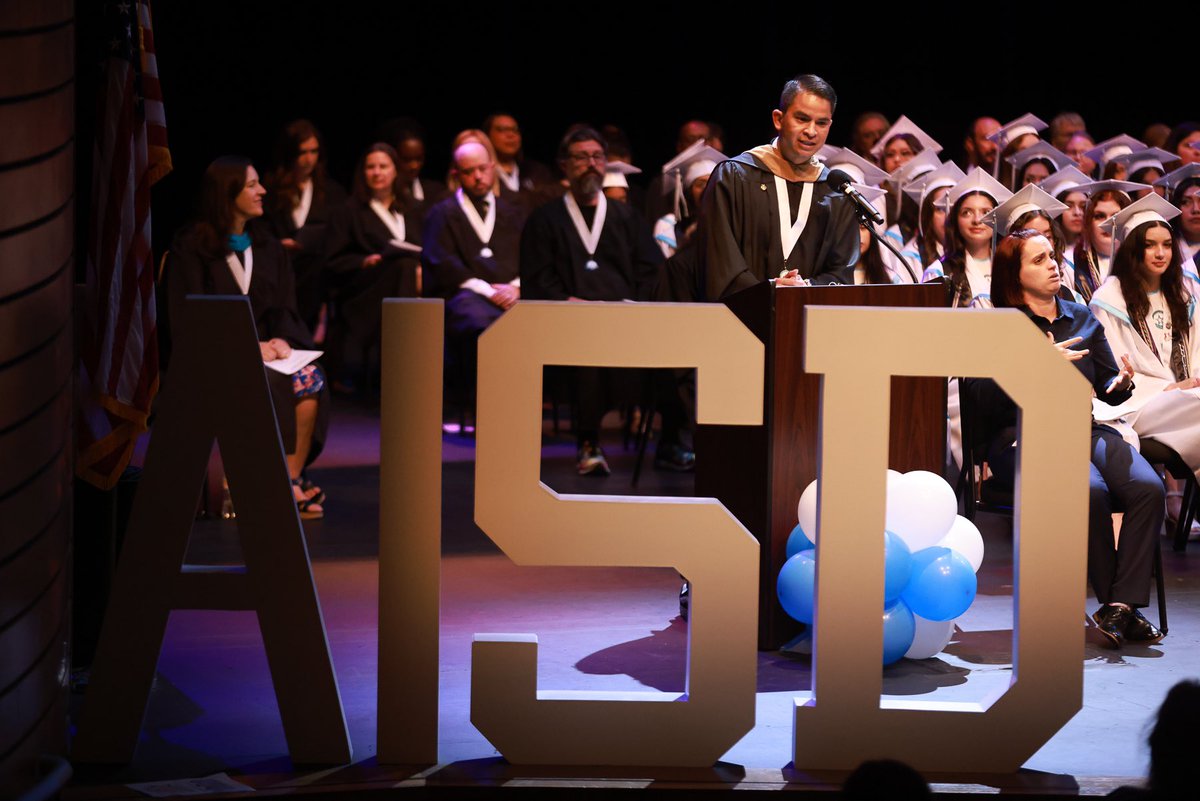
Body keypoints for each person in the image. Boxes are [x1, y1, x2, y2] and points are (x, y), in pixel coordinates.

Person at [965, 228, 1163, 648]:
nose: (1053, 265)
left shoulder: (1081, 317)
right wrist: (1035, 361)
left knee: (1148, 488)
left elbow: (1110, 383)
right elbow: (978, 395)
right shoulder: (1000, 324)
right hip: (1023, 434)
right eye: (1038, 260)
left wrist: (1123, 381)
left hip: (1083, 426)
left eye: (1052, 256)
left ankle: (1119, 608)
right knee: (1088, 492)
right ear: (1014, 274)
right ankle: (1120, 606)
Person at [166, 156, 329, 519]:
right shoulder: (191, 247)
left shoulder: (266, 245)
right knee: (269, 381)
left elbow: (284, 308)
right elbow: (188, 315)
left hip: (267, 353)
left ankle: (289, 477)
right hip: (215, 356)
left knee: (309, 379)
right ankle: (264, 485)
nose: (262, 191)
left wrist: (284, 339)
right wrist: (247, 347)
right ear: (228, 192)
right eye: (252, 184)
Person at [520, 127, 665, 475]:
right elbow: (536, 277)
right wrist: (567, 302)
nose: (591, 164)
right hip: (567, 324)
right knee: (586, 349)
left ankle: (674, 444)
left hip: (623, 321)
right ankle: (589, 443)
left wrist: (632, 306)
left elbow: (651, 271)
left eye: (597, 157)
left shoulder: (627, 218)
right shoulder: (544, 219)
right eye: (581, 157)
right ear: (564, 166)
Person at [697, 73, 860, 300]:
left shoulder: (836, 192)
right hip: (741, 320)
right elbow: (719, 260)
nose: (811, 131)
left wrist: (806, 288)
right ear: (778, 119)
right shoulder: (735, 176)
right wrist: (769, 292)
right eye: (802, 119)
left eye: (821, 123)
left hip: (808, 322)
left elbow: (841, 273)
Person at [1089, 194, 1200, 493]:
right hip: (1138, 403)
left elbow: (1197, 352)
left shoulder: (1183, 296)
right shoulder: (1109, 300)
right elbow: (1113, 369)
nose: (1160, 253)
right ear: (1132, 251)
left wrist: (1190, 382)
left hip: (1184, 398)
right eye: (1149, 245)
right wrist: (1171, 388)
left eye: (1166, 244)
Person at [423, 141, 525, 414]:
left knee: (532, 325)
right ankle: (488, 406)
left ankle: (521, 405)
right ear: (456, 174)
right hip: (465, 295)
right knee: (481, 323)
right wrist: (488, 291)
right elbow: (442, 262)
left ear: (492, 168)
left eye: (482, 169)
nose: (478, 177)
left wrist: (515, 288)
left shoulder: (513, 211)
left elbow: (532, 256)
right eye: (469, 171)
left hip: (512, 295)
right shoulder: (442, 213)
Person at [324, 142, 423, 393]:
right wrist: (363, 261)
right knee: (403, 266)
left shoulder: (411, 209)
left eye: (383, 166)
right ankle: (403, 356)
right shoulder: (348, 211)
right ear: (362, 173)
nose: (377, 172)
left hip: (412, 283)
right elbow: (332, 261)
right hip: (363, 291)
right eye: (370, 167)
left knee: (410, 267)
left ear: (395, 171)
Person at [258, 119, 347, 333]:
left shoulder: (331, 191)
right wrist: (278, 244)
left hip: (316, 270)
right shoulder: (269, 188)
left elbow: (340, 234)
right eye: (302, 152)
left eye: (314, 151)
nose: (308, 159)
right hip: (279, 263)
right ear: (290, 154)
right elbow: (258, 229)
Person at [921, 168, 1012, 308]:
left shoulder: (1010, 265)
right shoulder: (939, 272)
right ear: (955, 220)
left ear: (997, 219)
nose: (977, 220)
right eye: (967, 213)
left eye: (986, 212)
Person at [484, 112, 558, 212]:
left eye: (515, 130)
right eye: (502, 130)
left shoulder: (538, 172)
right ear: (487, 136)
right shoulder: (482, 174)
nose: (511, 135)